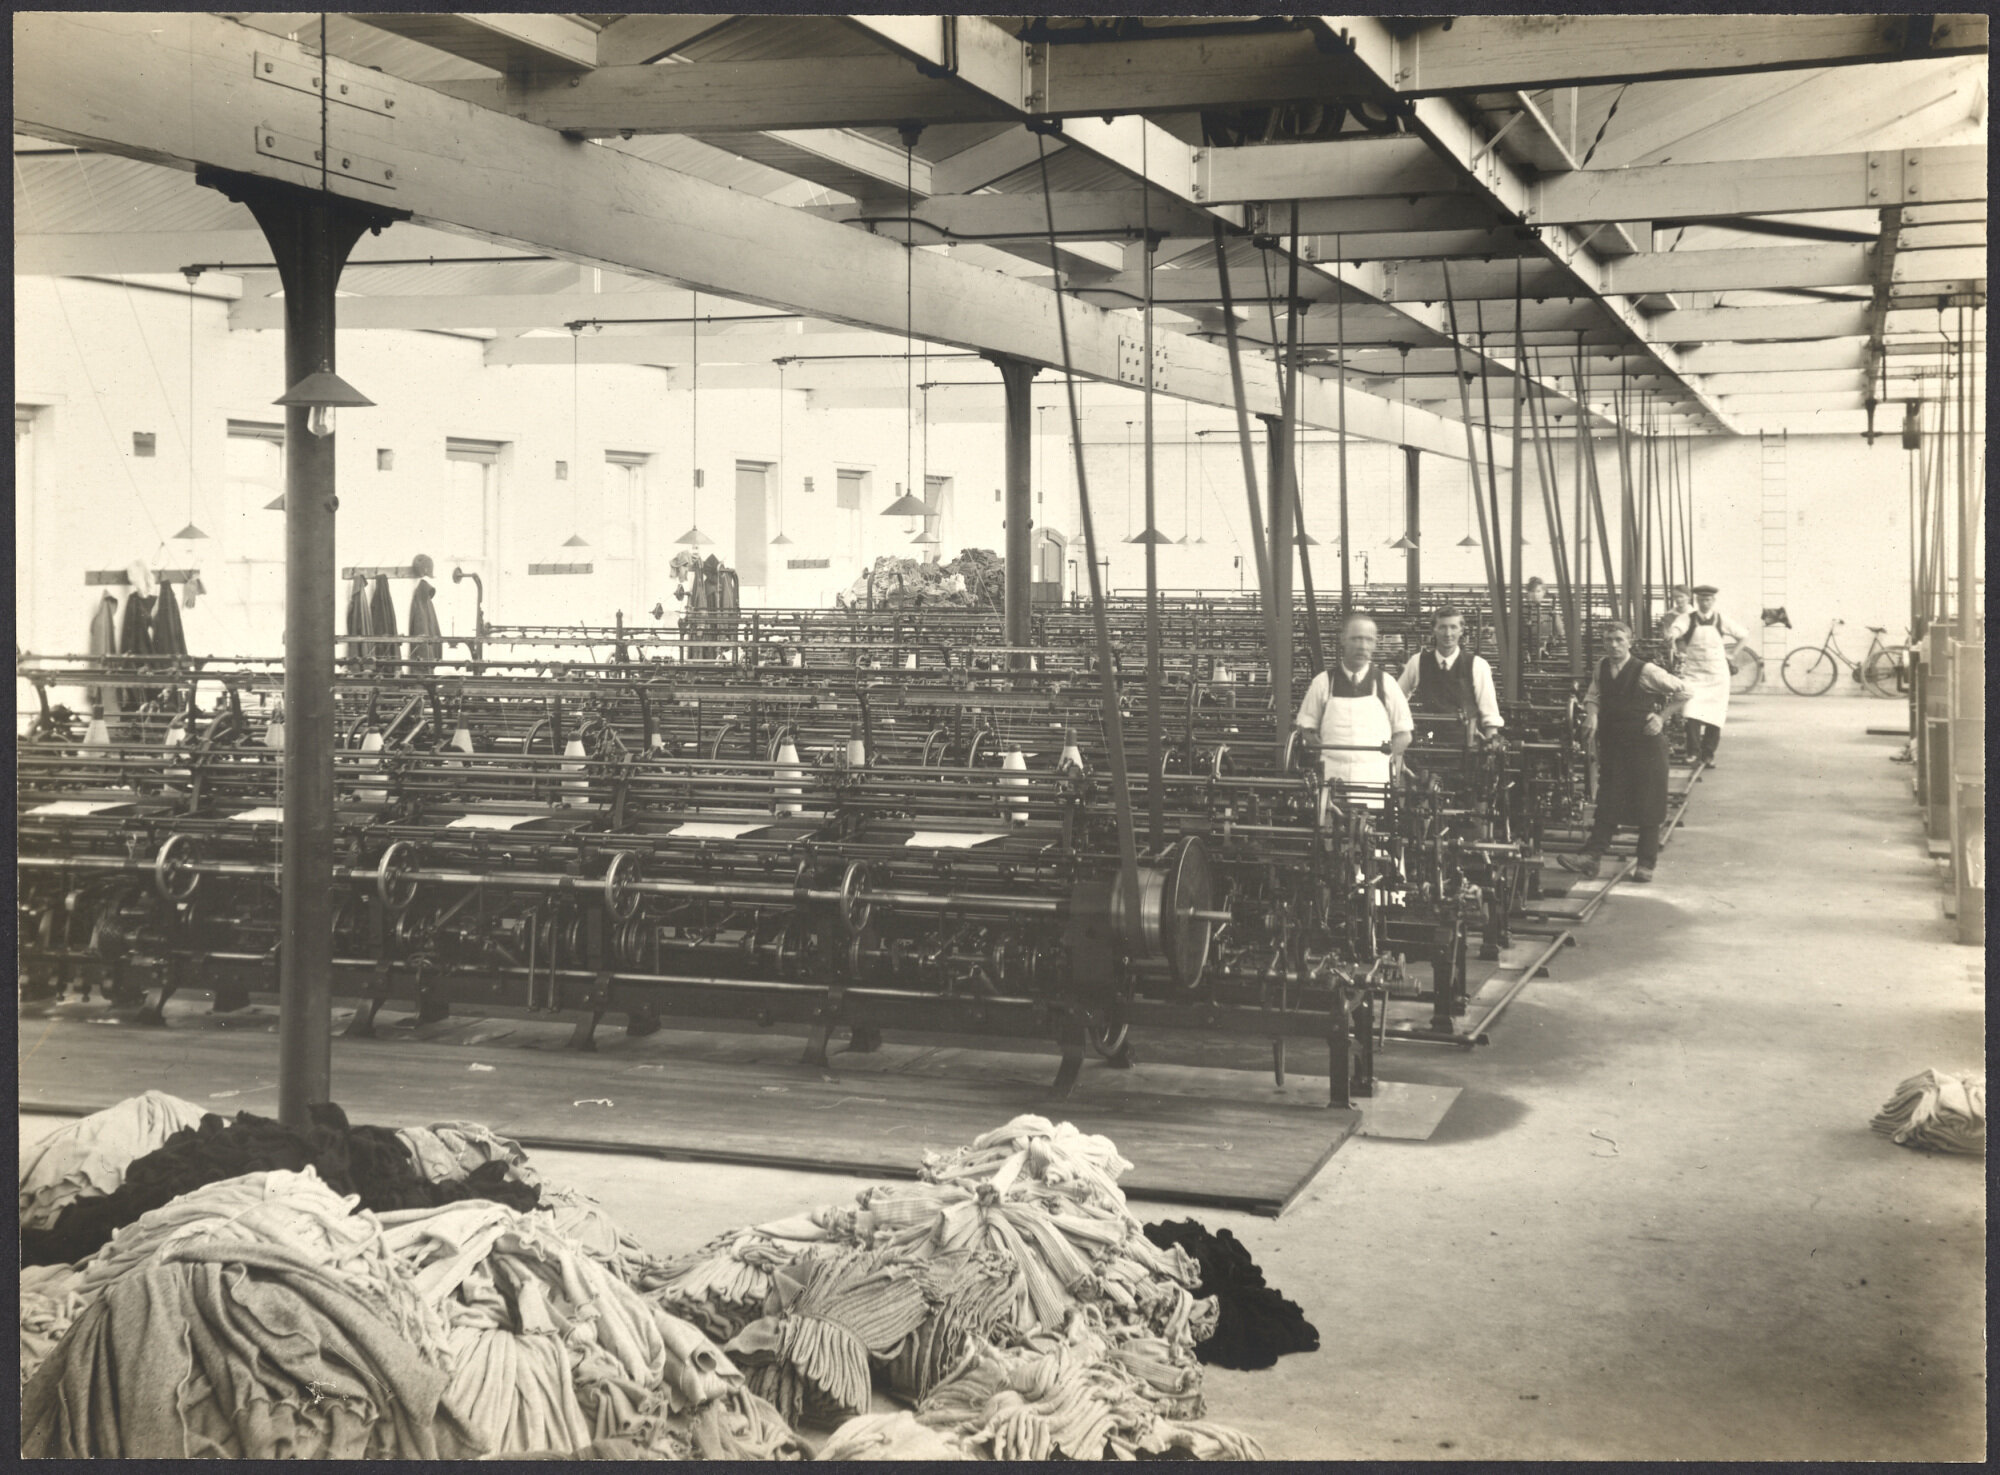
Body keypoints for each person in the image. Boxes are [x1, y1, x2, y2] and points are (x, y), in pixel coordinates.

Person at [1558, 620, 1691, 884]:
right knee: (1609, 798)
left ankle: (1645, 863)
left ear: (1630, 642)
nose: (1614, 645)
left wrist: (1662, 717)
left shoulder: (1646, 670)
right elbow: (1593, 696)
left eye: (1619, 639)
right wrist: (1592, 716)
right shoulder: (1602, 666)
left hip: (1646, 744)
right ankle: (1592, 857)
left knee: (1649, 801)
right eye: (1608, 640)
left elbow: (1685, 691)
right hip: (1614, 743)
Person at [1295, 613, 1414, 808]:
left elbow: (1404, 735)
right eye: (1356, 638)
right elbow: (1307, 729)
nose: (1362, 646)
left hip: (1375, 782)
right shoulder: (1323, 683)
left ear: (1375, 644)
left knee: (1373, 831)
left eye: (1368, 639)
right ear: (1343, 640)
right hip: (1332, 780)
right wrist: (1327, 753)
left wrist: (1381, 761)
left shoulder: (1387, 684)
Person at [1664, 584, 1746, 766]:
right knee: (1691, 711)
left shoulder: (1721, 619)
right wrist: (1672, 634)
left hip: (1717, 675)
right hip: (1695, 674)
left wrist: (1732, 654)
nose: (1704, 603)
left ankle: (1708, 754)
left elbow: (1743, 635)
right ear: (1697, 601)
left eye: (1708, 600)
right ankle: (1693, 752)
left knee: (1715, 717)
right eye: (1701, 600)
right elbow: (1678, 628)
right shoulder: (1688, 618)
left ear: (1713, 601)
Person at [1398, 606, 1503, 738]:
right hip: (1427, 744)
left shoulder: (1478, 665)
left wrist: (1491, 742)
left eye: (1453, 627)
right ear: (1433, 630)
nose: (1448, 634)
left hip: (1465, 746)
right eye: (1442, 627)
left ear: (1461, 631)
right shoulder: (1417, 661)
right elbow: (1397, 698)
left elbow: (1490, 712)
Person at [1521, 576, 1565, 657]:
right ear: (1527, 593)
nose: (1535, 594)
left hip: (1547, 649)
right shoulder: (1521, 612)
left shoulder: (1551, 611)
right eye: (1532, 591)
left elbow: (1560, 632)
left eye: (1538, 591)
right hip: (1525, 649)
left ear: (1543, 592)